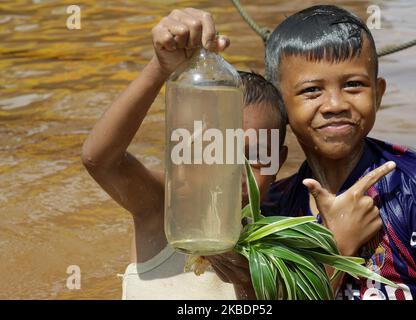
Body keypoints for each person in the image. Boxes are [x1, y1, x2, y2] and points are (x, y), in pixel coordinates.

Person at [81, 8, 395, 300]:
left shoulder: (278, 241)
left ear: (279, 161)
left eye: (256, 155)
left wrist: (333, 249)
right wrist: (160, 69)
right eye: (212, 151)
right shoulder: (162, 209)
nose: (233, 171)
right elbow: (100, 159)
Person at [258, 5, 416, 300]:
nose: (335, 104)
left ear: (378, 93)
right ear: (280, 105)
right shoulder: (276, 207)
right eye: (312, 90)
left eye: (353, 85)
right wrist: (337, 249)